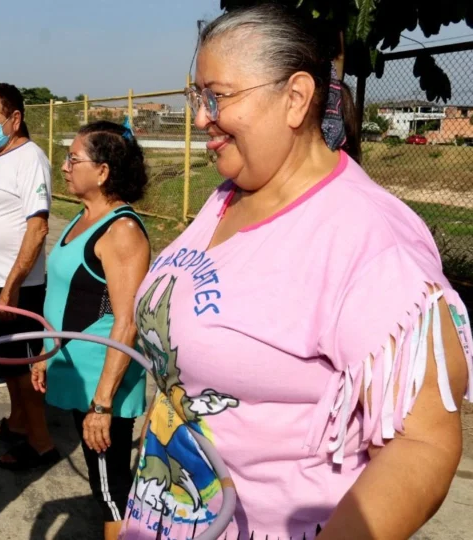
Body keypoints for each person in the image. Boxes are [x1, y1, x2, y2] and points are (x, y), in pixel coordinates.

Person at [120, 5, 472, 539]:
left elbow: (421, 443)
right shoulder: (225, 198)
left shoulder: (369, 239)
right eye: (197, 98)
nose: (199, 118)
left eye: (218, 96)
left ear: (295, 97)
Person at [31, 121, 150, 540]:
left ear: (102, 171)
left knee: (110, 489)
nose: (64, 166)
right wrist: (46, 354)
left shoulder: (121, 231)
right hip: (75, 371)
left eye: (73, 158)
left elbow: (126, 321)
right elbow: (65, 297)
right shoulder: (83, 218)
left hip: (104, 383)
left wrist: (102, 405)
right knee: (104, 483)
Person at [0, 82, 59, 470]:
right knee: (7, 364)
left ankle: (40, 444)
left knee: (20, 368)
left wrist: (11, 287)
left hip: (14, 287)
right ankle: (17, 424)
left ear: (15, 118)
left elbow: (37, 228)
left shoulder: (29, 158)